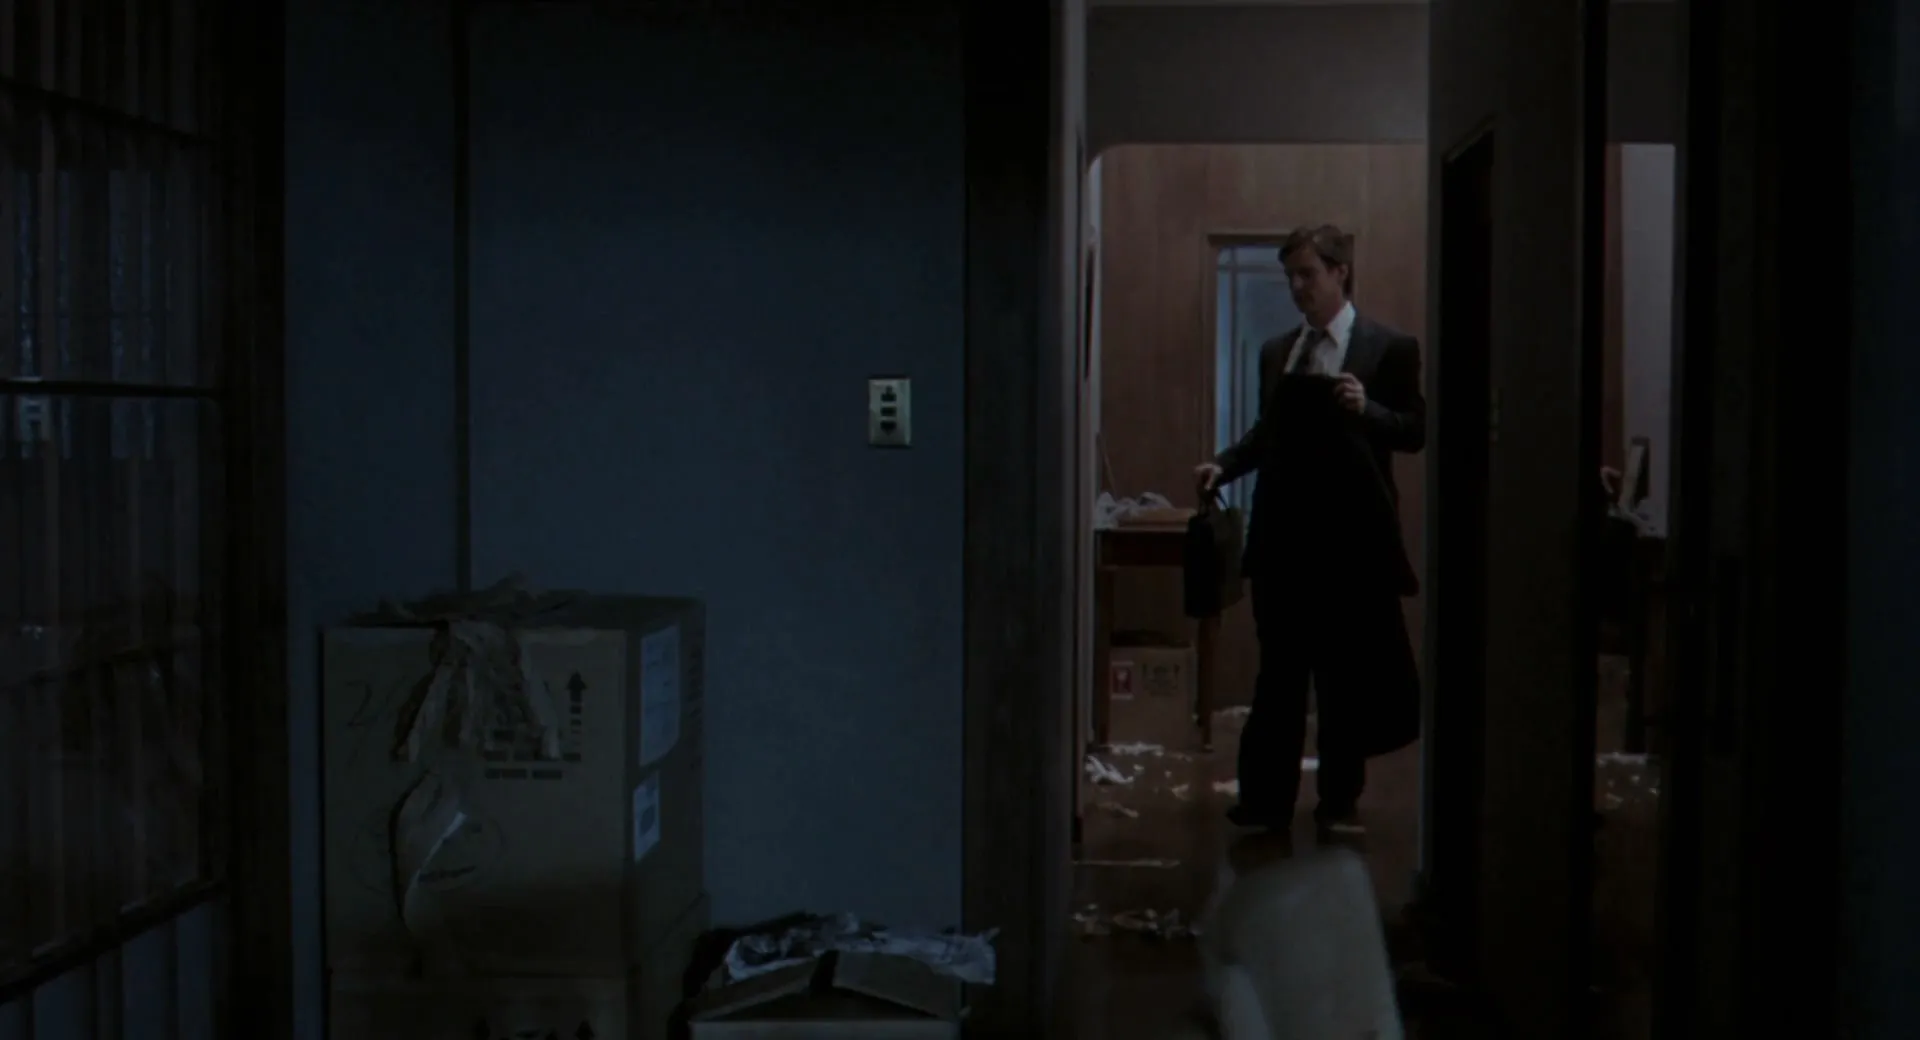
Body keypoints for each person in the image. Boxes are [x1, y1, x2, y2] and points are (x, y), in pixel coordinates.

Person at [1194, 224, 1427, 836]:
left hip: (1351, 543)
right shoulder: (1279, 351)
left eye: (1308, 274)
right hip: (1283, 539)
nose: (1298, 288)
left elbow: (1415, 430)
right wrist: (1223, 464)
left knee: (1343, 677)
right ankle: (1264, 803)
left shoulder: (1388, 348)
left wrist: (1367, 408)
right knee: (1278, 677)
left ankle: (1339, 802)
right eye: (1291, 277)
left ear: (1339, 271)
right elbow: (1265, 433)